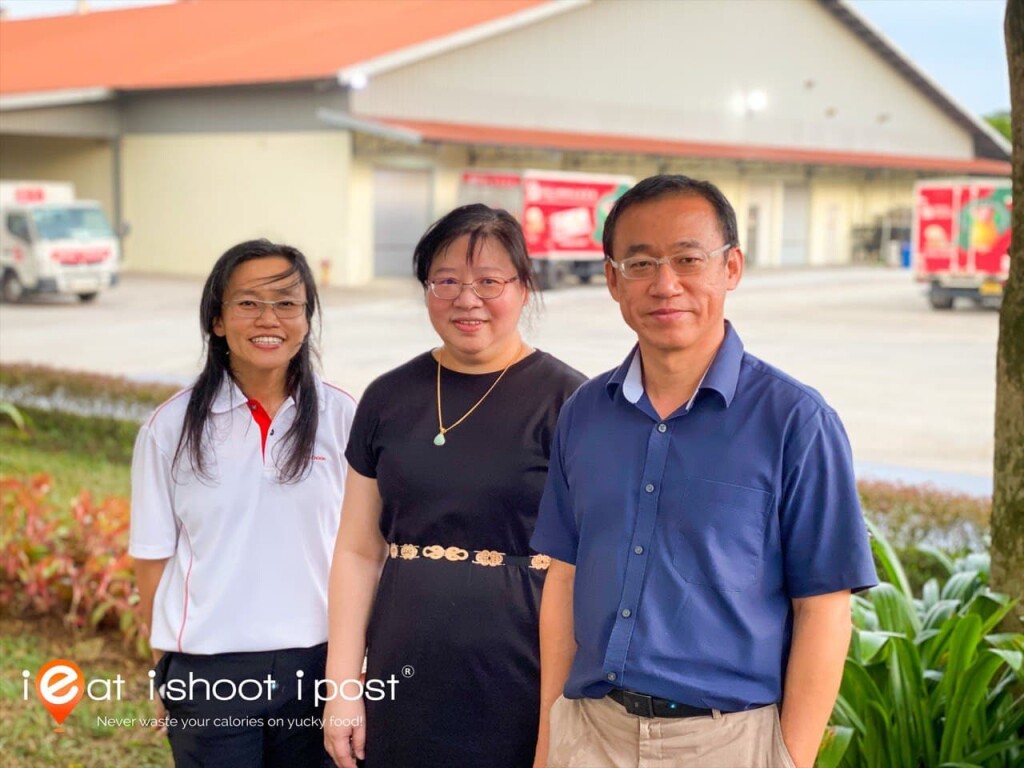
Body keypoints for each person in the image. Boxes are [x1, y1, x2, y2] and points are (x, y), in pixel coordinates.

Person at [530, 175, 878, 768]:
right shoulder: (584, 413)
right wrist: (549, 738)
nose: (666, 285)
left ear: (731, 267)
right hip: (588, 734)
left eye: (688, 259)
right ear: (613, 279)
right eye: (640, 263)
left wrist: (788, 760)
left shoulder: (796, 422)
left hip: (727, 743)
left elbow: (823, 608)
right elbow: (563, 577)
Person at [323, 204, 585, 768]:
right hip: (404, 663)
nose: (467, 299)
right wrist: (342, 684)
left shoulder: (571, 404)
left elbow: (584, 569)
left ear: (523, 286)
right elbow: (357, 549)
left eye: (490, 281)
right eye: (447, 281)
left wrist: (558, 721)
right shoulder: (387, 397)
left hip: (522, 671)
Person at [130, 239, 356, 767]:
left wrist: (355, 669)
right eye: (248, 302)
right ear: (217, 320)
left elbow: (367, 549)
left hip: (320, 666)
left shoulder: (345, 417)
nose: (268, 318)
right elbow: (151, 558)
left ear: (306, 319)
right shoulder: (169, 428)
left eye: (286, 303)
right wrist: (164, 669)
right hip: (209, 671)